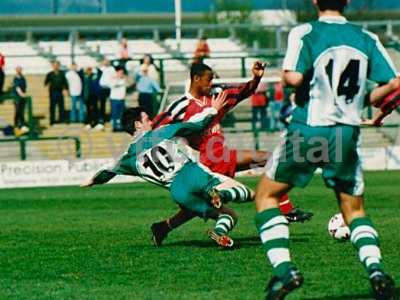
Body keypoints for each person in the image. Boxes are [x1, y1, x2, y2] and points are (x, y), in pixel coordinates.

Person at [254, 1, 398, 299]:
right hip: (346, 132)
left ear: (315, 1)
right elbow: (395, 82)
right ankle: (375, 269)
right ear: (346, 1)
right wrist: (363, 100)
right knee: (354, 209)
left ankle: (285, 271)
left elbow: (292, 78)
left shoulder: (306, 32)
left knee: (267, 195)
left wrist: (298, 79)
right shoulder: (366, 38)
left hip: (310, 128)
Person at [150, 62, 313, 247]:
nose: (212, 83)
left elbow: (243, 91)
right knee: (266, 160)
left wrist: (256, 78)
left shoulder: (217, 97)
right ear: (196, 79)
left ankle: (163, 227)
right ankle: (284, 210)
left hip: (220, 155)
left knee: (268, 159)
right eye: (209, 79)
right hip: (210, 159)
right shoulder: (181, 106)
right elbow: (157, 127)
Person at [81, 100, 254, 248]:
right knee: (248, 193)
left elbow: (107, 170)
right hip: (191, 173)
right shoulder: (160, 132)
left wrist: (92, 181)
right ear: (137, 125)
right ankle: (220, 194)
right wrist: (213, 109)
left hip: (178, 192)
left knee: (227, 215)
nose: (151, 121)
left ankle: (219, 232)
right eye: (147, 119)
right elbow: (196, 124)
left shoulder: (127, 158)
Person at [44, 61, 67, 125]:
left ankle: (61, 119)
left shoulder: (62, 73)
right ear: (52, 66)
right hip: (52, 92)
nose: (55, 67)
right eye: (54, 65)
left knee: (61, 107)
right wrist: (46, 92)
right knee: (52, 107)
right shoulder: (49, 74)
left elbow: (65, 82)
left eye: (57, 65)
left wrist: (65, 90)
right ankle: (52, 120)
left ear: (59, 66)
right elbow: (46, 83)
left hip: (60, 92)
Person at [98, 58, 116, 128]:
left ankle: (111, 118)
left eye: (107, 62)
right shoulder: (101, 68)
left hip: (110, 88)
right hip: (102, 88)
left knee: (111, 103)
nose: (106, 63)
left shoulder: (112, 69)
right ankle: (102, 118)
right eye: (104, 61)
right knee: (102, 104)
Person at [12, 66, 29, 136]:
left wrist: (24, 95)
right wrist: (22, 94)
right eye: (17, 69)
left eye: (20, 69)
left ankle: (22, 127)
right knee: (17, 112)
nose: (19, 71)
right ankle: (16, 127)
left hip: (22, 98)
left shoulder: (23, 78)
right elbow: (17, 88)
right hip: (17, 98)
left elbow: (25, 87)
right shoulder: (15, 79)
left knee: (21, 112)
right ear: (16, 70)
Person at [109, 66, 127, 131]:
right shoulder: (113, 79)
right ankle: (114, 127)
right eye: (120, 72)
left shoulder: (124, 79)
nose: (121, 74)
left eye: (122, 72)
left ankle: (120, 126)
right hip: (114, 99)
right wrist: (117, 78)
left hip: (122, 99)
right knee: (114, 114)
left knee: (121, 114)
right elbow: (113, 85)